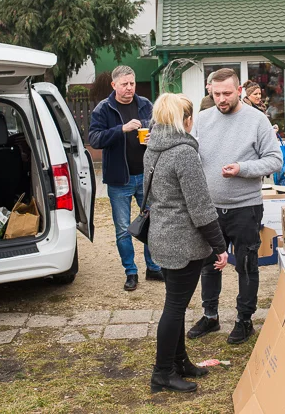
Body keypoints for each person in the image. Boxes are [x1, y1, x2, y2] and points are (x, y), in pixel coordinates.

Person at [187, 68, 282, 345]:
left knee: (247, 264)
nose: (221, 99)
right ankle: (210, 315)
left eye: (227, 93)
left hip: (245, 207)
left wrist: (242, 168)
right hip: (210, 207)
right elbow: (191, 155)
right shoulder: (202, 120)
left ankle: (244, 320)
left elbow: (275, 160)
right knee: (209, 264)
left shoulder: (257, 120)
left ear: (239, 90)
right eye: (216, 94)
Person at [145, 94, 228, 393]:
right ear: (188, 120)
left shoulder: (153, 147)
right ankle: (162, 372)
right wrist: (220, 245)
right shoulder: (183, 153)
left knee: (175, 306)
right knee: (175, 307)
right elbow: (201, 207)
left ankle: (179, 362)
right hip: (181, 242)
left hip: (162, 236)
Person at [88, 65, 163, 291]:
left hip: (146, 176)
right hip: (119, 179)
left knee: (151, 222)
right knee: (122, 228)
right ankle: (131, 272)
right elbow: (95, 139)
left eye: (132, 84)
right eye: (124, 84)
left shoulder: (145, 105)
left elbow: (159, 129)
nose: (129, 88)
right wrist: (122, 129)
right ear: (114, 85)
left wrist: (153, 137)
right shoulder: (103, 109)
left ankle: (154, 267)